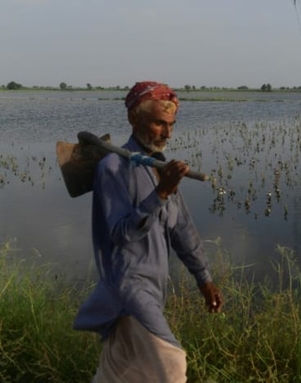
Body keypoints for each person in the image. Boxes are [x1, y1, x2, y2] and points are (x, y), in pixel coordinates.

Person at [73, 81, 223, 382]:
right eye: (159, 123)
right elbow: (120, 234)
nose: (167, 133)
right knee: (172, 365)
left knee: (120, 370)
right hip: (128, 286)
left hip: (153, 286)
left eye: (171, 125)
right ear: (134, 119)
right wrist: (161, 194)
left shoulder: (158, 166)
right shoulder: (113, 168)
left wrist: (204, 279)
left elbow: (182, 230)